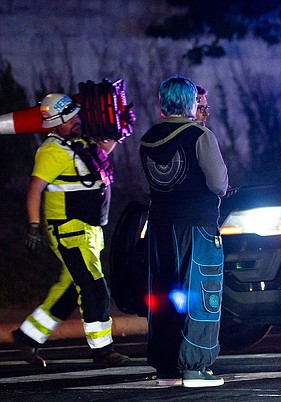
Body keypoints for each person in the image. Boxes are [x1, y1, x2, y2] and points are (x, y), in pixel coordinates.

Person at [12, 93, 130, 368]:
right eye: (69, 118)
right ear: (54, 123)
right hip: (70, 231)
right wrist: (33, 227)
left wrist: (120, 129)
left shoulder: (78, 143)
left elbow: (101, 154)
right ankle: (102, 351)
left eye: (76, 115)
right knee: (94, 288)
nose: (76, 120)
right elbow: (34, 189)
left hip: (88, 230)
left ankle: (28, 337)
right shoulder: (52, 151)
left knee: (69, 290)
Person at [139, 75, 228, 387]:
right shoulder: (199, 136)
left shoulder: (148, 138)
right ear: (191, 101)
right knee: (202, 294)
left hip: (161, 227)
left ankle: (166, 367)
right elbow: (219, 183)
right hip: (198, 225)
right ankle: (195, 367)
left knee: (165, 295)